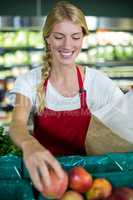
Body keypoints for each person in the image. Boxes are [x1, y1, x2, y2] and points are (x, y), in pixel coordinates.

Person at [9, 1, 124, 194]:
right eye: (59, 37)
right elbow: (17, 124)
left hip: (91, 182)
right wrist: (30, 145)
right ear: (47, 39)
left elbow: (125, 121)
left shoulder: (97, 82)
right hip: (46, 177)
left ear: (83, 38)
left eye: (75, 37)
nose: (67, 45)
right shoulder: (30, 81)